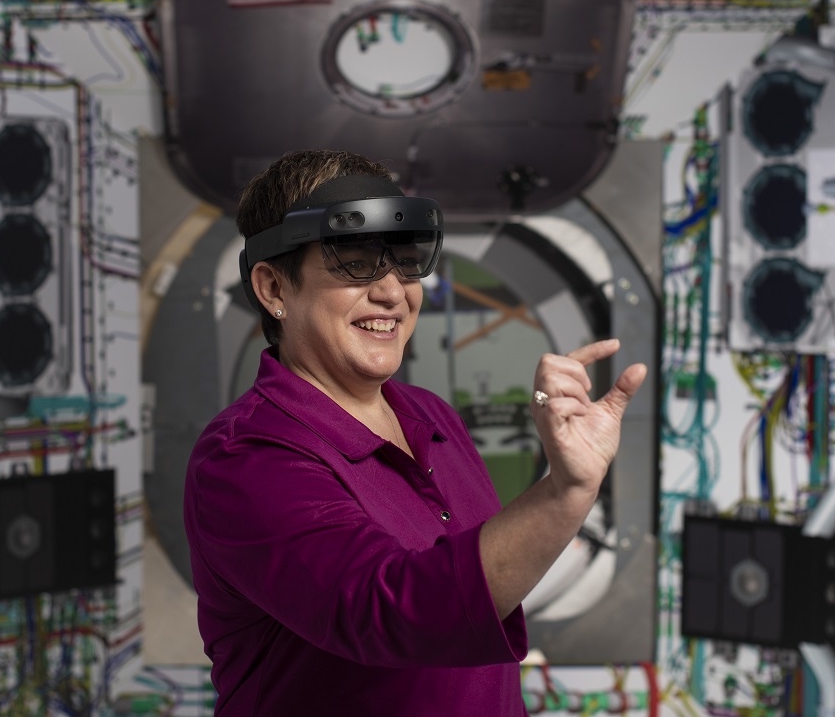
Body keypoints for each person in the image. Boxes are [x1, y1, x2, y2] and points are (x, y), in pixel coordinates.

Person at [183, 149, 647, 716]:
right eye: (353, 261)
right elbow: (392, 613)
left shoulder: (432, 417)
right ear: (275, 288)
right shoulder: (246, 457)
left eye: (406, 261)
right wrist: (564, 492)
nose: (392, 291)